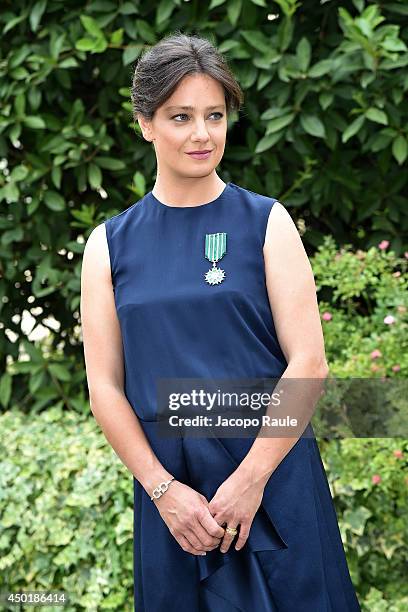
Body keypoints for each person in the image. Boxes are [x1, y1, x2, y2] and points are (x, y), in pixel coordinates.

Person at [80, 31, 361, 612]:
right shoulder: (108, 246)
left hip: (274, 479)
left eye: (215, 115)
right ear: (145, 123)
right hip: (174, 503)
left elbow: (308, 362)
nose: (202, 134)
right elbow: (104, 387)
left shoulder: (267, 223)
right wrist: (163, 492)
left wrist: (250, 480)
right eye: (180, 117)